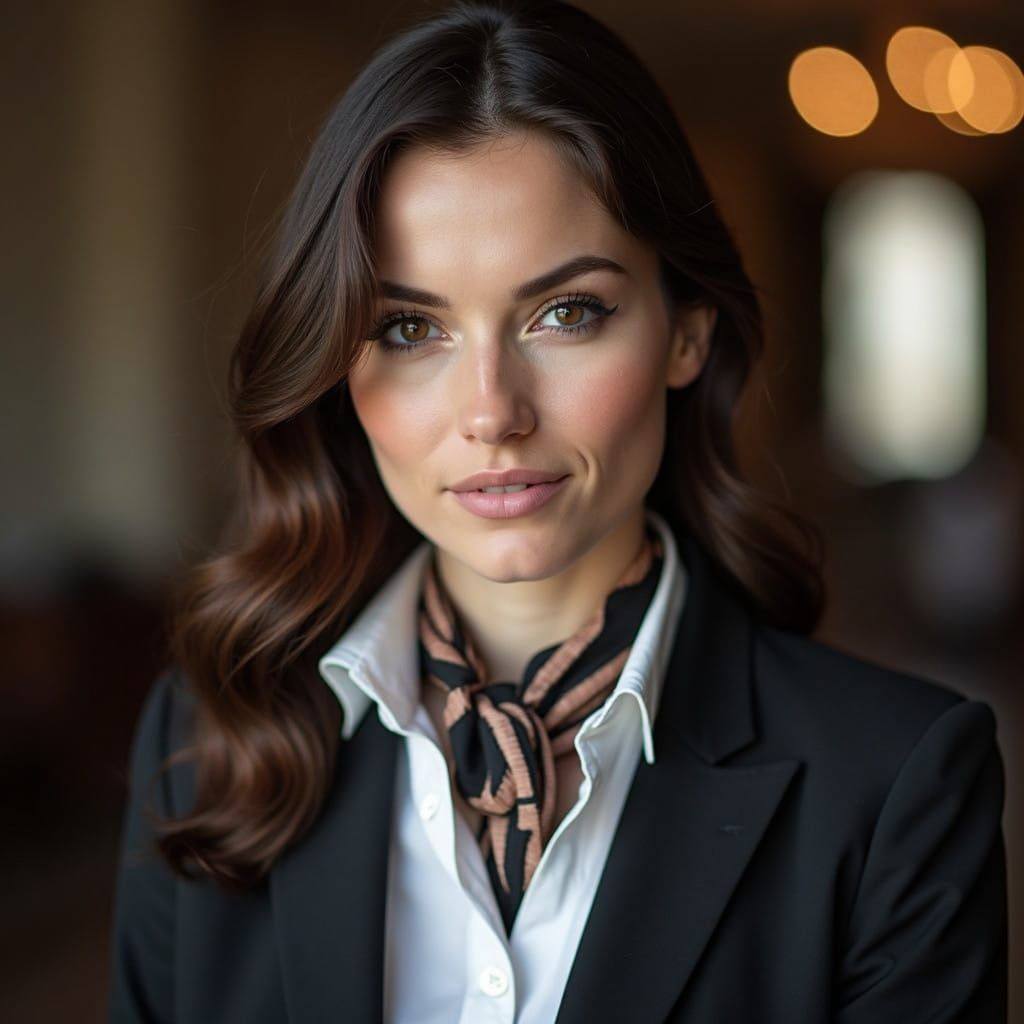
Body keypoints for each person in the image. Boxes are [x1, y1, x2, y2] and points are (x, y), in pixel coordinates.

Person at [106, 1, 1008, 1021]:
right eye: (409, 327)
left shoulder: (894, 782)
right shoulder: (207, 740)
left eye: (565, 313)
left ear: (685, 335)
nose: (492, 410)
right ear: (335, 366)